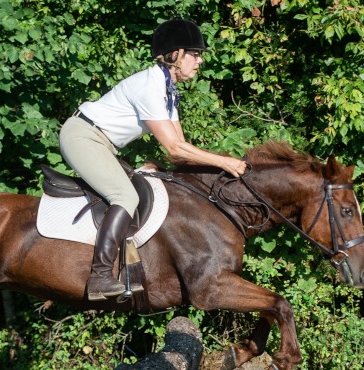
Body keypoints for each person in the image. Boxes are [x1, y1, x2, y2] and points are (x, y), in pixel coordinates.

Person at [59, 18, 247, 301]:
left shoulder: (168, 92)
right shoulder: (149, 86)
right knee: (125, 196)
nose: (199, 61)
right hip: (82, 136)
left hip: (102, 143)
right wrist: (224, 162)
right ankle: (99, 277)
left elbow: (182, 147)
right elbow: (174, 149)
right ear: (175, 55)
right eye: (194, 54)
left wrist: (217, 171)